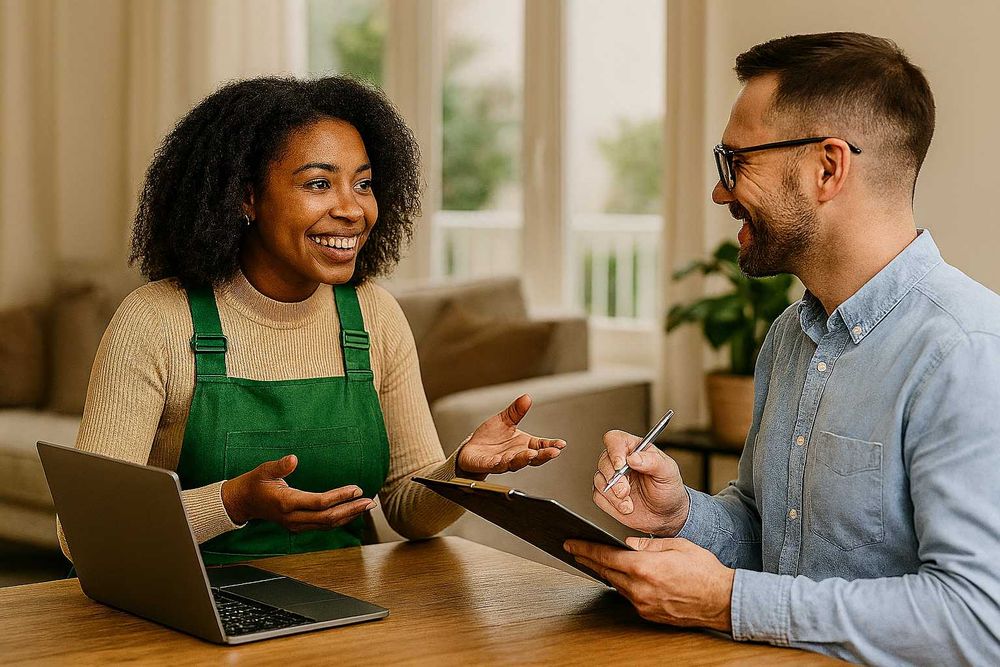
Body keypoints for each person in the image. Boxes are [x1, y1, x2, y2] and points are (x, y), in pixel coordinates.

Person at [565, 32, 1000, 664]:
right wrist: (680, 516)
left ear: (827, 168)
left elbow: (978, 618)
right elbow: (772, 538)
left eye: (736, 161)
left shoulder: (967, 353)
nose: (721, 191)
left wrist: (726, 602)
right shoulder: (791, 336)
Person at [58, 75, 565, 565]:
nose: (352, 210)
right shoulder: (156, 320)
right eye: (319, 183)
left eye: (363, 184)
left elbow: (408, 513)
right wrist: (232, 503)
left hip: (347, 601)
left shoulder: (375, 316)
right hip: (192, 602)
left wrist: (461, 470)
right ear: (246, 196)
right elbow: (85, 532)